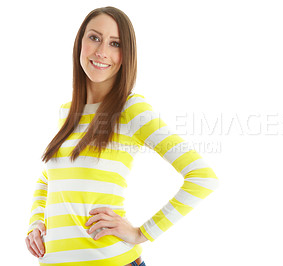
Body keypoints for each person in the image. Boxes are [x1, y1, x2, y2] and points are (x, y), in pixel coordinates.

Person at [24, 6, 220, 266]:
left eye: (115, 43)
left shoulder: (130, 109)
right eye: (94, 37)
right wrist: (36, 221)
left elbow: (203, 177)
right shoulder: (67, 112)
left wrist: (142, 233)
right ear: (80, 42)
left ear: (126, 54)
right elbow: (49, 177)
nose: (102, 51)